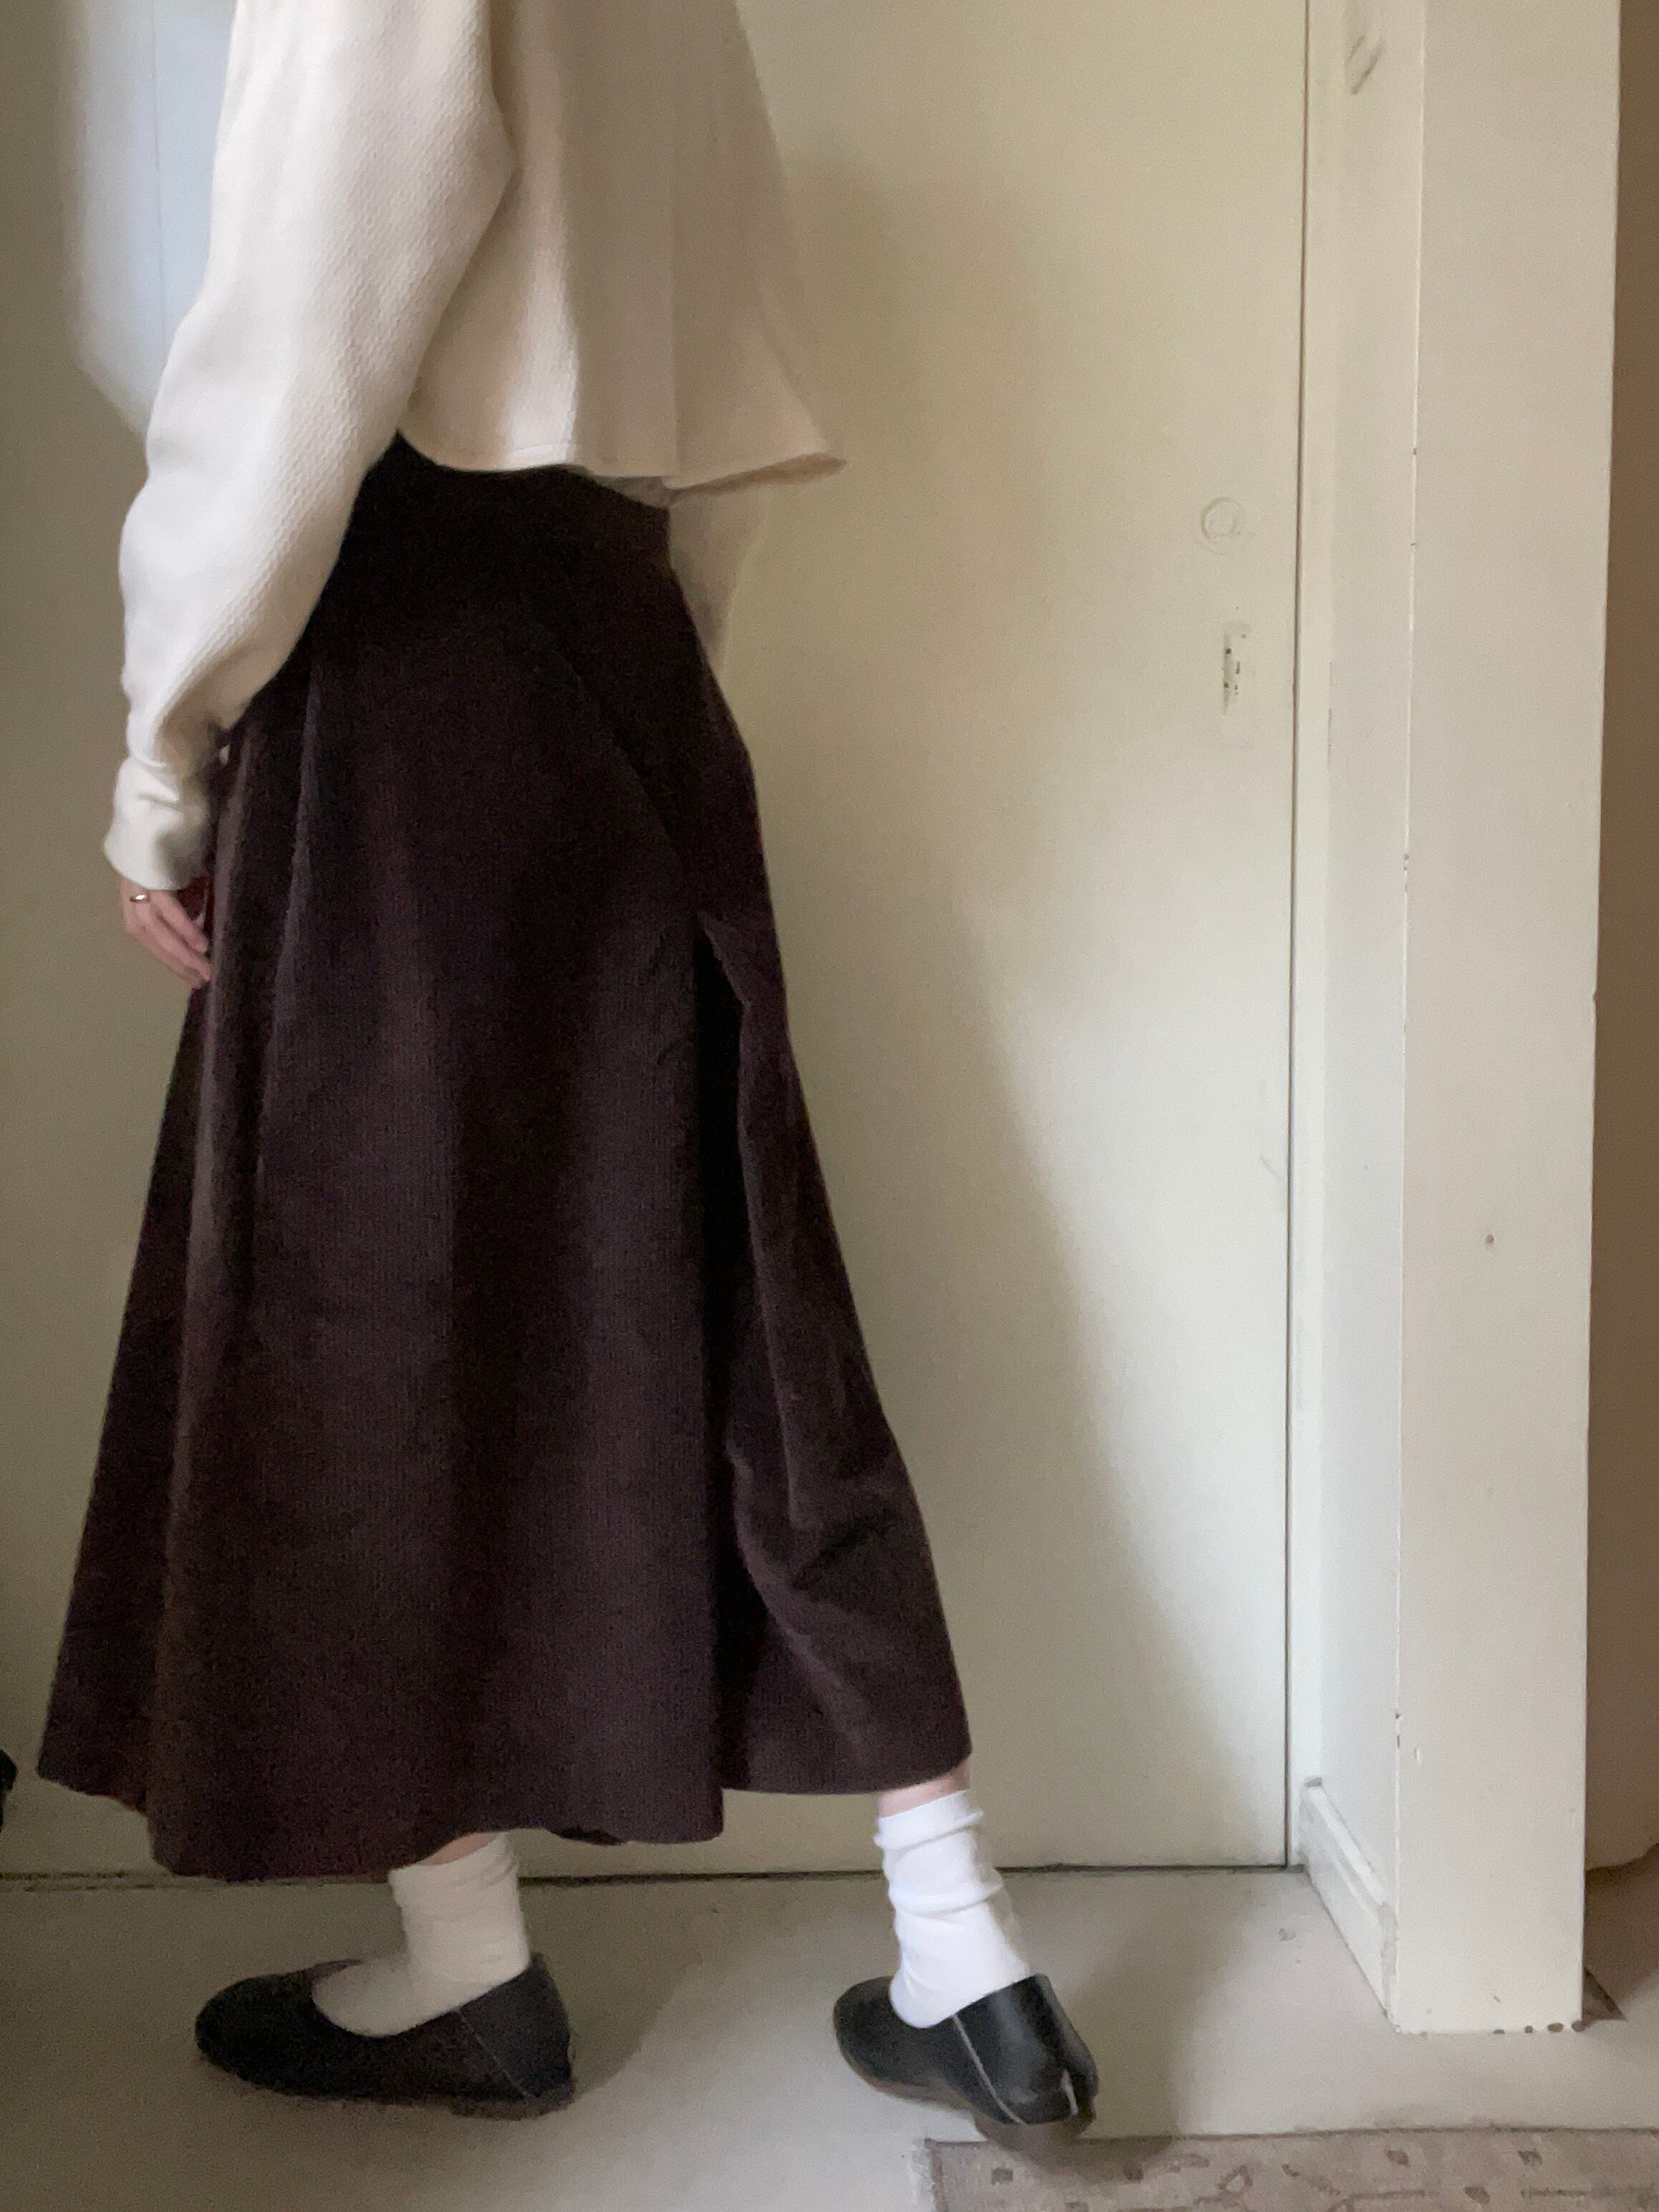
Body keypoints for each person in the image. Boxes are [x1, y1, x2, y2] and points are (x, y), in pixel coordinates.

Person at [38, 0, 1097, 2154]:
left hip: (398, 649)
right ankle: (965, 1948)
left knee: (350, 1309)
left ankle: (469, 1963)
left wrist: (165, 752)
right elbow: (731, 372)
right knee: (736, 1282)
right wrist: (643, 659)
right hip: (625, 638)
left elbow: (301, 335)